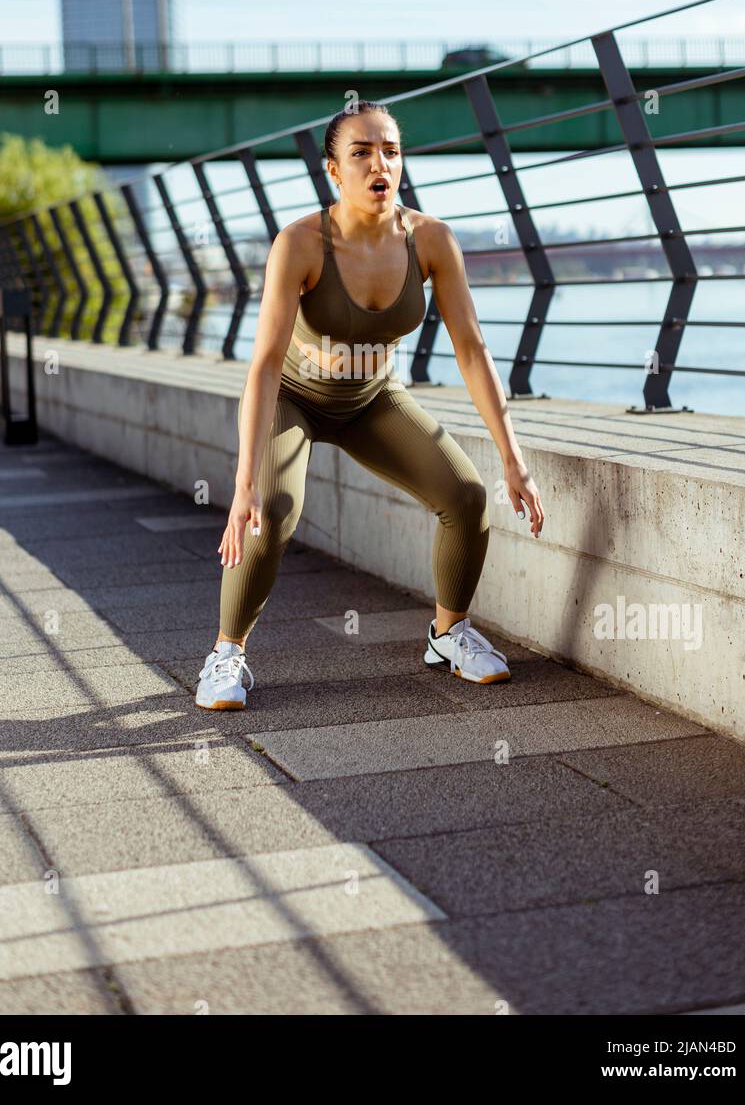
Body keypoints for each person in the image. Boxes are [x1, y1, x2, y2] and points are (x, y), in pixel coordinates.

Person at [196, 101, 544, 710]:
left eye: (390, 150)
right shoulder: (300, 244)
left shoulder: (430, 239)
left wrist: (514, 458)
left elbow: (471, 348)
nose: (379, 163)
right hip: (294, 400)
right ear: (334, 170)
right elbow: (264, 365)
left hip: (372, 399)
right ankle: (227, 654)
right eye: (361, 153)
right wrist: (243, 481)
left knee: (466, 496)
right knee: (272, 509)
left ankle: (448, 634)